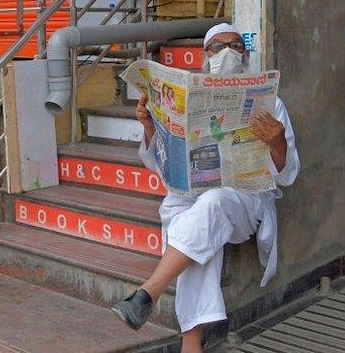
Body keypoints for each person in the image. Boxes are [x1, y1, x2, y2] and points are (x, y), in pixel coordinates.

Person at [111, 23, 300, 351]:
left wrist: (277, 142)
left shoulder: (272, 104)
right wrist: (149, 126)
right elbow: (159, 165)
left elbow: (287, 174)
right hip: (193, 197)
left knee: (212, 205)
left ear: (245, 53)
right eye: (217, 46)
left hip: (246, 201)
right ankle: (191, 343)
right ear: (204, 56)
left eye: (236, 45)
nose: (227, 52)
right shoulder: (187, 103)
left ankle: (148, 292)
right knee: (198, 222)